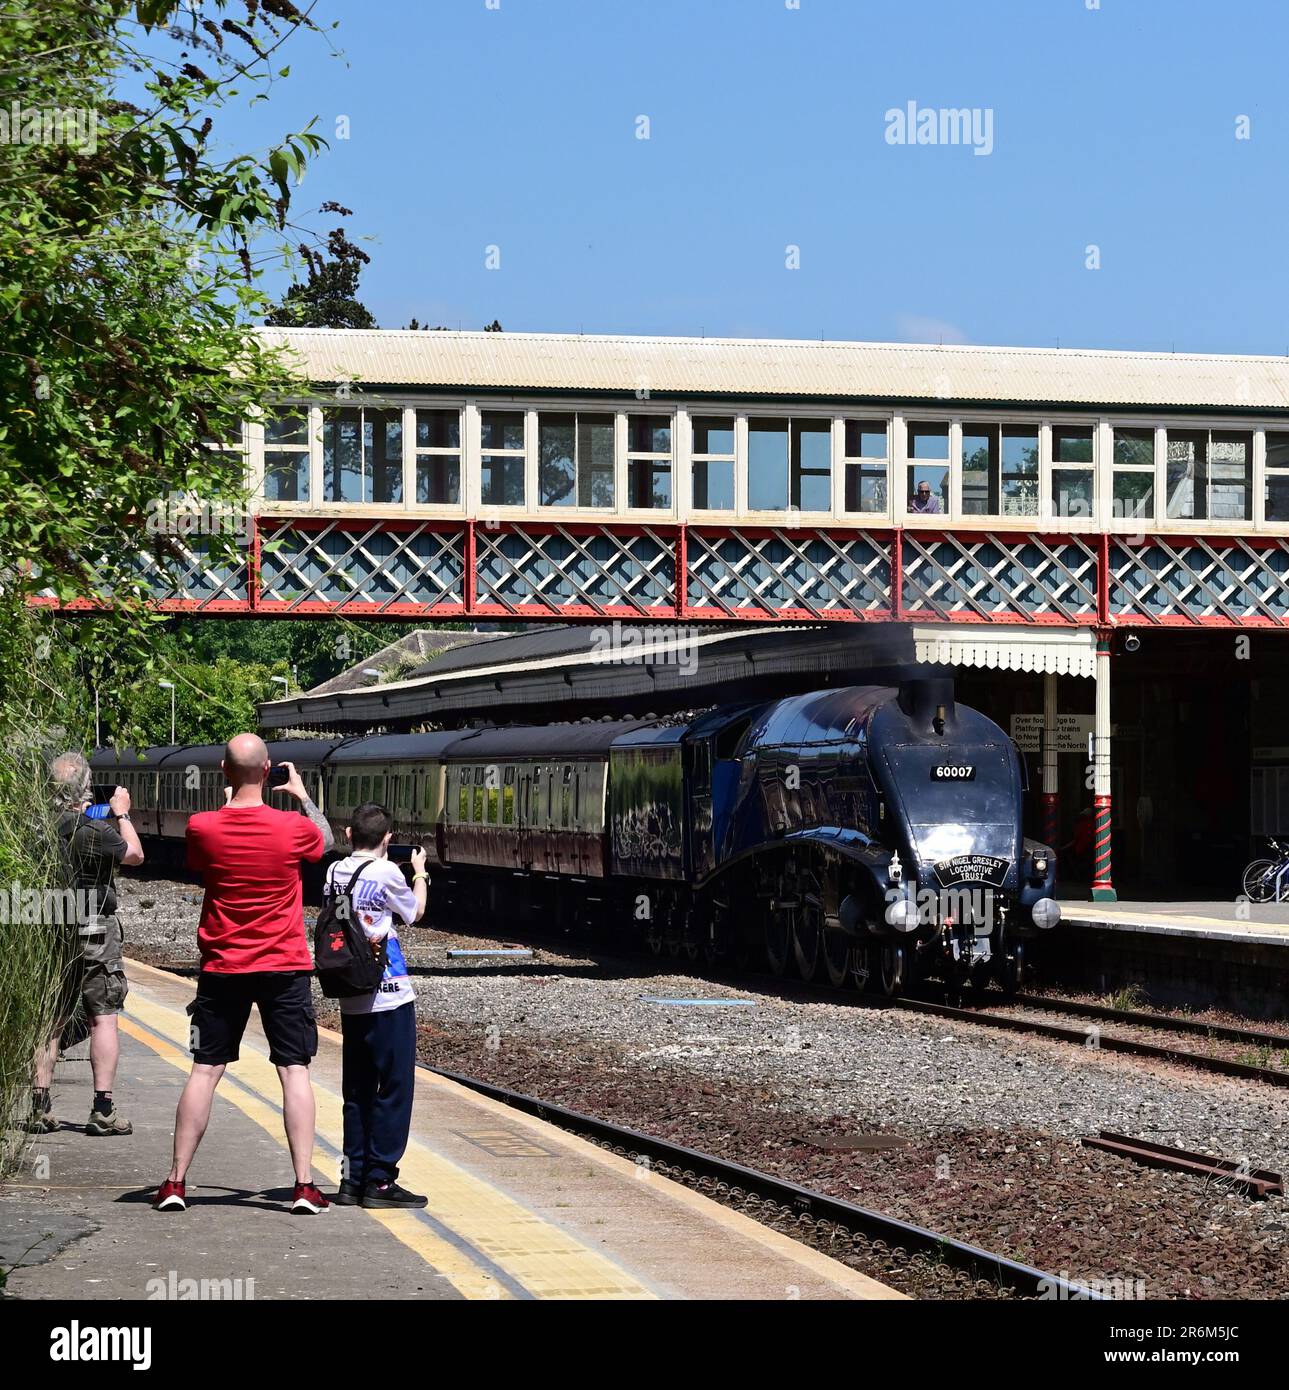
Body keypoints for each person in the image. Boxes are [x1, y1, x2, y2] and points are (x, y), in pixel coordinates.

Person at [153, 733, 334, 1214]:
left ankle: (175, 1182)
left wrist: (228, 802)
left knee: (205, 1070)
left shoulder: (202, 826)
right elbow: (328, 841)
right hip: (284, 965)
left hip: (223, 967)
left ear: (222, 770)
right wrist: (302, 795)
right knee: (294, 1070)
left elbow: (201, 862)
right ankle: (303, 1186)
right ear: (269, 768)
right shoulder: (293, 827)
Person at [26, 752, 144, 1136]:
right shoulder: (96, 831)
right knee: (102, 1016)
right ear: (87, 791)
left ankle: (40, 1107)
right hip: (95, 928)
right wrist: (122, 813)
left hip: (52, 927)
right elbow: (136, 855)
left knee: (52, 1017)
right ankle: (102, 1109)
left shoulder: (37, 832)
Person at [327, 803, 429, 1210]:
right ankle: (382, 1181)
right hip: (389, 995)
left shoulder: (334, 872)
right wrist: (419, 872)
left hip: (351, 994)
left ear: (349, 835)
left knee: (357, 1088)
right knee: (395, 1086)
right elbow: (414, 913)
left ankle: (352, 1178)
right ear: (387, 838)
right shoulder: (388, 872)